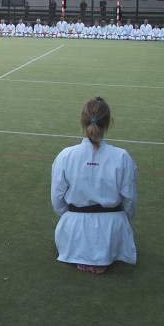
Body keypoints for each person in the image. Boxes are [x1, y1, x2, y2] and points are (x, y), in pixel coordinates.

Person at [51, 97, 137, 274]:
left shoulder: (66, 155)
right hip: (112, 227)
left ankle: (81, 251)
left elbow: (57, 199)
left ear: (82, 121)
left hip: (74, 227)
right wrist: (120, 221)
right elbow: (130, 200)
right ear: (109, 122)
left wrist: (71, 217)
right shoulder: (122, 156)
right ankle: (103, 252)